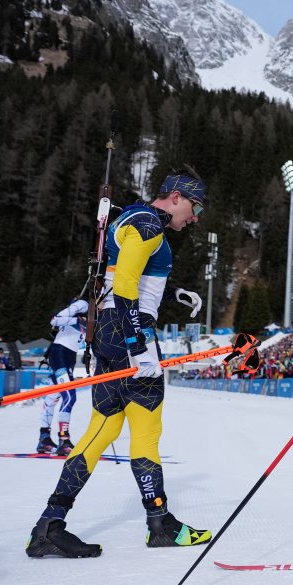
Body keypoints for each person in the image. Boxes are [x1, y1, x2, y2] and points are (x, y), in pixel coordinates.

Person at [26, 170, 210, 558]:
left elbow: (124, 272)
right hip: (130, 331)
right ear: (176, 197)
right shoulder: (149, 225)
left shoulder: (135, 217)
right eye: (194, 207)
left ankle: (49, 524)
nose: (194, 217)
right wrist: (138, 346)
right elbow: (126, 286)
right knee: (145, 430)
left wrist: (173, 292)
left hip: (107, 332)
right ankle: (159, 523)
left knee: (103, 429)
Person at [36, 299, 88, 455]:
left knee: (53, 396)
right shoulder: (83, 304)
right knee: (70, 397)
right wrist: (76, 319)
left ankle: (44, 439)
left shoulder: (96, 315)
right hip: (61, 354)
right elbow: (55, 320)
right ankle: (64, 440)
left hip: (68, 356)